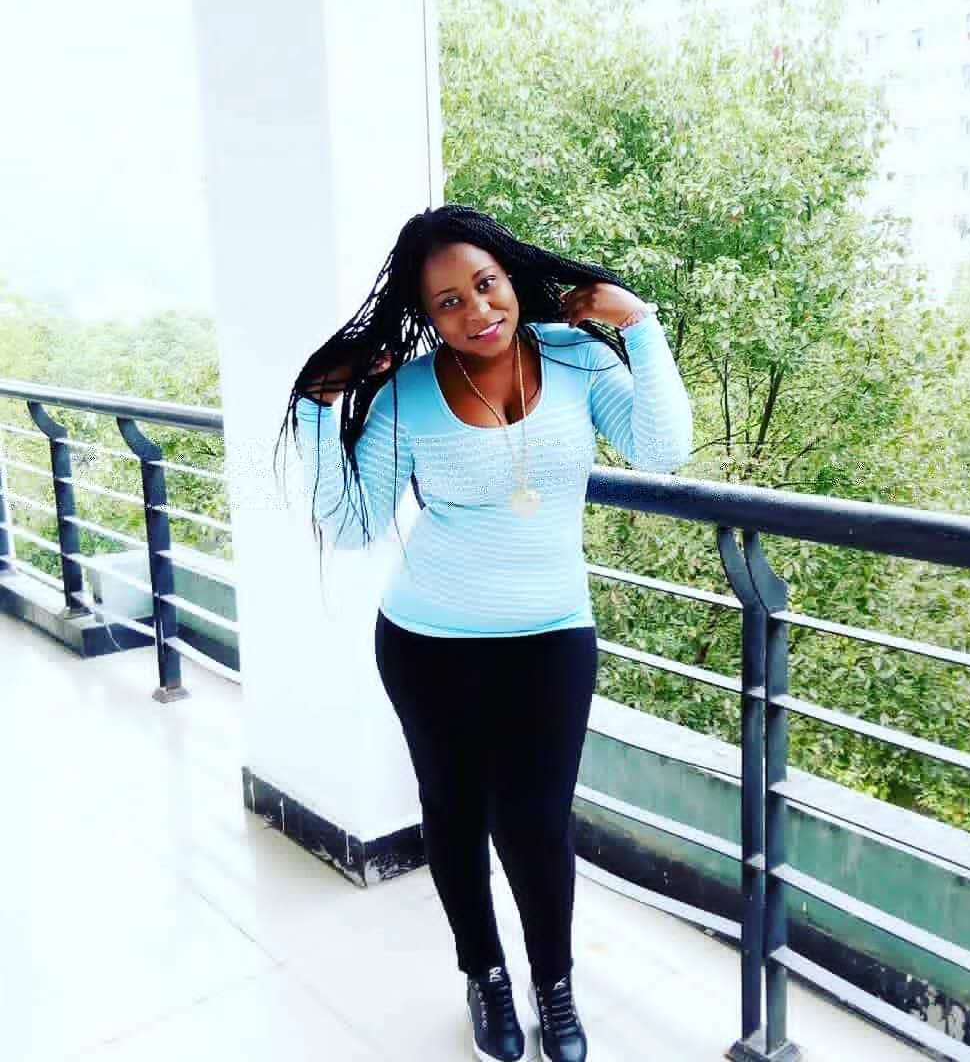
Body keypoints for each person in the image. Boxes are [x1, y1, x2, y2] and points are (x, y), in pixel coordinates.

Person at [278, 204, 693, 1062]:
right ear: (427, 316)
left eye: (485, 284)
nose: (476, 311)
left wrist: (639, 324)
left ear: (508, 277)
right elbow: (354, 524)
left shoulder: (575, 357)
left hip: (551, 637)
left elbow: (662, 447)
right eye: (448, 303)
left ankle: (555, 985)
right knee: (454, 814)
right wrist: (319, 409)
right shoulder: (409, 394)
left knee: (537, 825)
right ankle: (487, 976)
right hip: (428, 644)